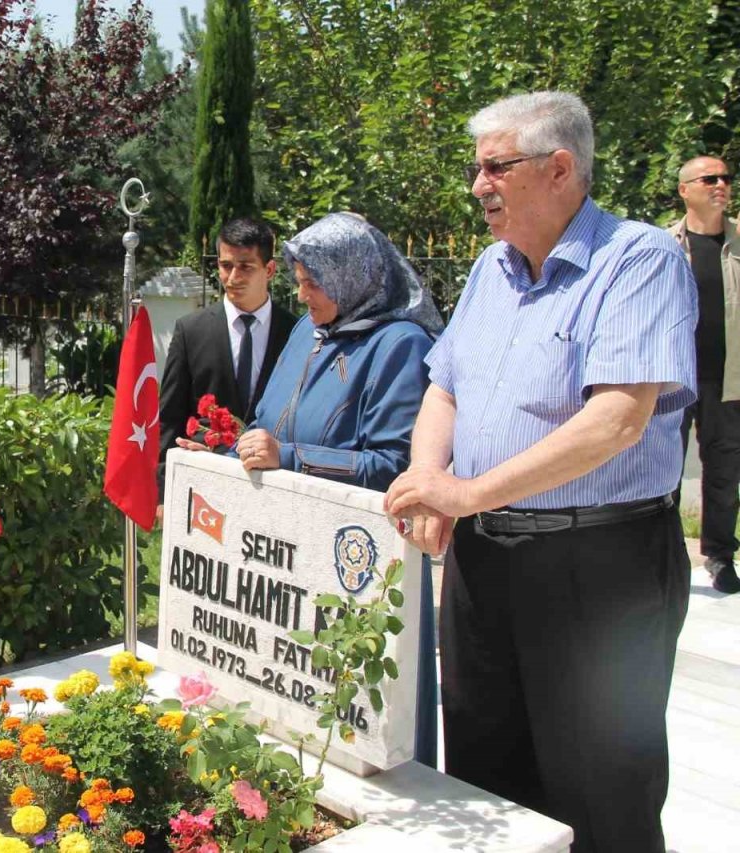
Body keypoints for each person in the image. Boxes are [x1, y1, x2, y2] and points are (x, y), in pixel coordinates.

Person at [385, 92, 696, 853]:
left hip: (599, 566)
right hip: (485, 559)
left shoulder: (639, 258)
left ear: (560, 169)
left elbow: (618, 417)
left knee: (600, 792)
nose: (477, 183)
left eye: (497, 165)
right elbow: (444, 385)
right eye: (477, 166)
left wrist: (467, 491)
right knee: (488, 784)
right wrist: (431, 478)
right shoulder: (492, 268)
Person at [177, 212, 444, 767]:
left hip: (356, 563)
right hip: (289, 554)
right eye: (297, 281)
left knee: (356, 730)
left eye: (313, 282)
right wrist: (229, 453)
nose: (301, 296)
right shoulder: (308, 330)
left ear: (354, 277)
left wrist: (291, 458)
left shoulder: (400, 345)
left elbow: (397, 465)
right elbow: (270, 421)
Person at [157, 217, 298, 496]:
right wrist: (163, 493)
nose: (233, 278)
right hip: (204, 481)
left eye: (245, 267)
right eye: (226, 266)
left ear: (269, 270)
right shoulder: (191, 330)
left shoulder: (295, 332)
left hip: (273, 484)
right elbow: (169, 417)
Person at [667, 155, 740, 594]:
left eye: (726, 178)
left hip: (728, 379)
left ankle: (720, 555)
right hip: (674, 378)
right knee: (664, 467)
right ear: (685, 189)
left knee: (725, 469)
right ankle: (667, 551)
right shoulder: (663, 245)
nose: (721, 185)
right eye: (710, 178)